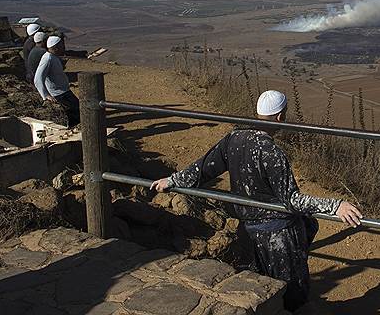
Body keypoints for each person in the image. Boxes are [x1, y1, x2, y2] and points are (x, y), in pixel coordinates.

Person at [151, 90, 362, 311]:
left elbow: (203, 169)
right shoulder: (271, 151)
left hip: (247, 233)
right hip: (278, 236)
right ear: (280, 117)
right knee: (292, 295)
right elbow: (292, 200)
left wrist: (172, 180)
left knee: (258, 292)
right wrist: (335, 206)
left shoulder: (234, 138)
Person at [34, 35, 80, 127]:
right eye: (62, 46)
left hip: (63, 91)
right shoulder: (48, 59)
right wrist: (46, 95)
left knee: (76, 110)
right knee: (73, 112)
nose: (64, 48)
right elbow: (38, 79)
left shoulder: (53, 57)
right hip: (59, 94)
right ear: (56, 48)